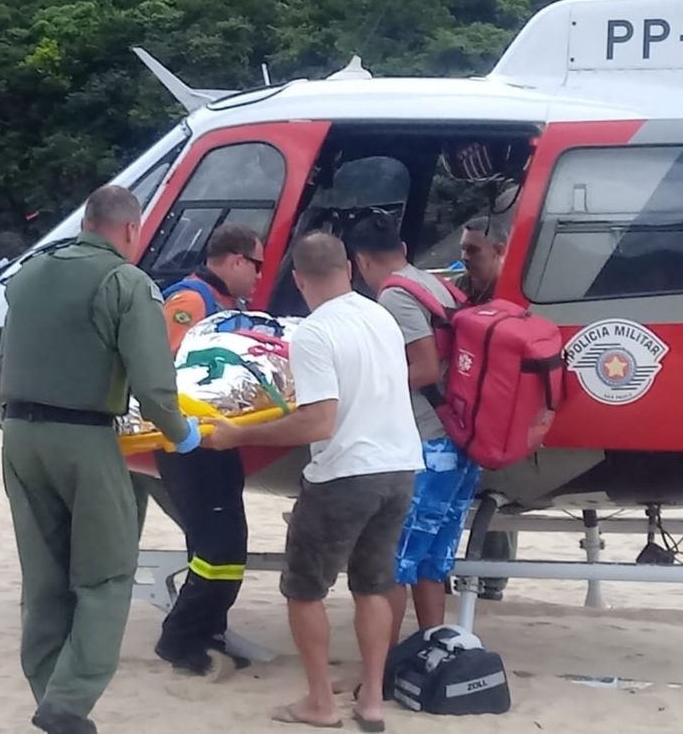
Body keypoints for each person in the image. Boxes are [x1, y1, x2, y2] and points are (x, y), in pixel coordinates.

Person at [0, 184, 201, 734]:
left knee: (43, 576)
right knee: (105, 574)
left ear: (86, 222)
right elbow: (155, 385)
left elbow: (4, 355)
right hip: (84, 438)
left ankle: (48, 691)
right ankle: (68, 703)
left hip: (18, 433)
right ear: (132, 230)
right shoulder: (126, 282)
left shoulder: (29, 273)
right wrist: (183, 434)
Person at [204, 232, 423, 731]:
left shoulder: (313, 333)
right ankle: (371, 700)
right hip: (399, 467)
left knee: (304, 589)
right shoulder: (380, 316)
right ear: (348, 266)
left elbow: (319, 421)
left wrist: (240, 435)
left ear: (298, 279)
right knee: (373, 586)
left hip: (345, 472)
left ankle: (320, 703)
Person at [137, 224, 266, 678]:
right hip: (189, 443)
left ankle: (208, 631)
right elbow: (164, 368)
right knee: (218, 548)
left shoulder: (232, 304)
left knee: (227, 545)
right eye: (257, 266)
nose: (259, 277)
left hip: (219, 439)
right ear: (233, 260)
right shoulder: (190, 302)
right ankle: (179, 640)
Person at [348, 213, 481, 644]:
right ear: (403, 250)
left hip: (429, 443)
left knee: (393, 564)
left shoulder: (395, 299)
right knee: (431, 562)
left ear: (361, 262)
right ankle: (431, 650)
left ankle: (379, 668)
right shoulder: (433, 283)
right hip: (459, 441)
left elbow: (423, 370)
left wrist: (367, 386)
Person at [454, 215, 516, 601]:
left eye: (472, 251)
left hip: (501, 403)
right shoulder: (458, 288)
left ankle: (491, 583)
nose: (464, 259)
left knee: (500, 489)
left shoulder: (516, 292)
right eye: (462, 250)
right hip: (461, 400)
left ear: (499, 250)